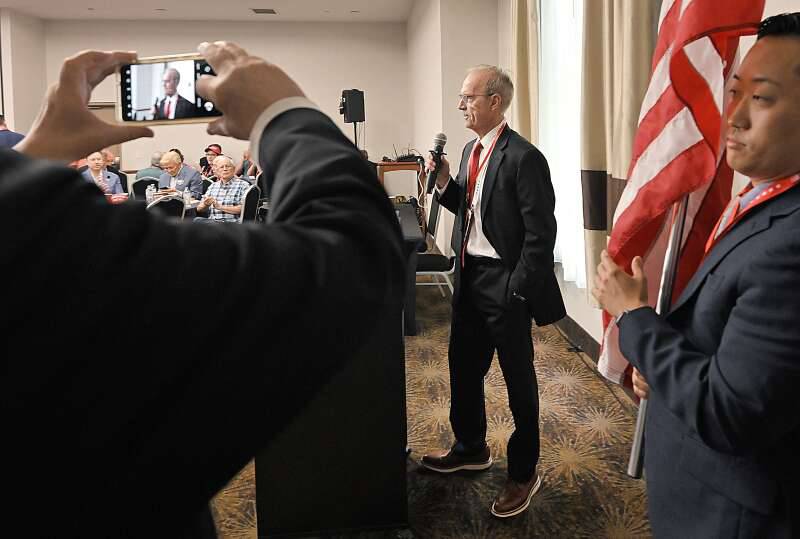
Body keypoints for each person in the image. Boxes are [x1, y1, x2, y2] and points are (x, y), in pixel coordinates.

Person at [2, 43, 404, 538]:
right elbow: (354, 256)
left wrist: (29, 162)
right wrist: (288, 113)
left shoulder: (34, 236)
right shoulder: (61, 245)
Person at [592, 13, 800, 537]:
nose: (732, 117)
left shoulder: (791, 243)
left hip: (731, 513)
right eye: (734, 92)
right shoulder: (761, 200)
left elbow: (729, 411)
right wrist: (659, 366)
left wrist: (635, 317)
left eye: (763, 98)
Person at [420, 65, 565, 518]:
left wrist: (517, 290)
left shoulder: (525, 158)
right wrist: (444, 181)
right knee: (463, 367)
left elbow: (542, 236)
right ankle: (470, 448)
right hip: (468, 277)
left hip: (505, 282)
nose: (461, 106)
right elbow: (468, 207)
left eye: (468, 98)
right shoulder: (469, 149)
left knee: (518, 379)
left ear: (494, 102)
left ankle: (524, 473)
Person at [195, 154, 250, 222]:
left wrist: (220, 207)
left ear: (233, 169)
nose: (225, 169)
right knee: (196, 220)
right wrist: (205, 204)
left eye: (227, 166)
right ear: (217, 171)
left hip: (231, 223)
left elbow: (244, 209)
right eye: (221, 167)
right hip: (212, 222)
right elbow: (199, 209)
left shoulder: (243, 185)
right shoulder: (213, 186)